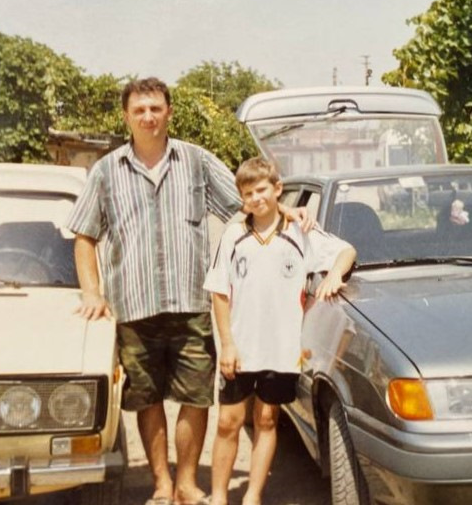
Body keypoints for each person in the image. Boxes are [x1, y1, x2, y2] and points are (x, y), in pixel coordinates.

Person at [69, 77, 308, 505]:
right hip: (134, 307)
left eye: (156, 108)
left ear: (169, 112)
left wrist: (282, 209)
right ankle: (162, 482)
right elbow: (84, 235)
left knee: (196, 398)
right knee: (147, 400)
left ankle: (186, 483)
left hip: (192, 304)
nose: (148, 116)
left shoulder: (196, 161)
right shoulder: (106, 171)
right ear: (126, 115)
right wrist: (92, 291)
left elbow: (243, 204)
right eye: (139, 109)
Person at [204, 158, 356, 505]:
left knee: (267, 418)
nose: (256, 199)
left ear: (277, 189)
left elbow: (346, 252)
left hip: (281, 348)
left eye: (261, 190)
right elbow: (219, 292)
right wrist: (227, 344)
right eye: (248, 193)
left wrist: (334, 275)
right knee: (229, 421)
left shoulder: (300, 232)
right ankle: (218, 497)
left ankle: (253, 496)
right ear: (242, 199)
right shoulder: (234, 234)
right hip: (240, 347)